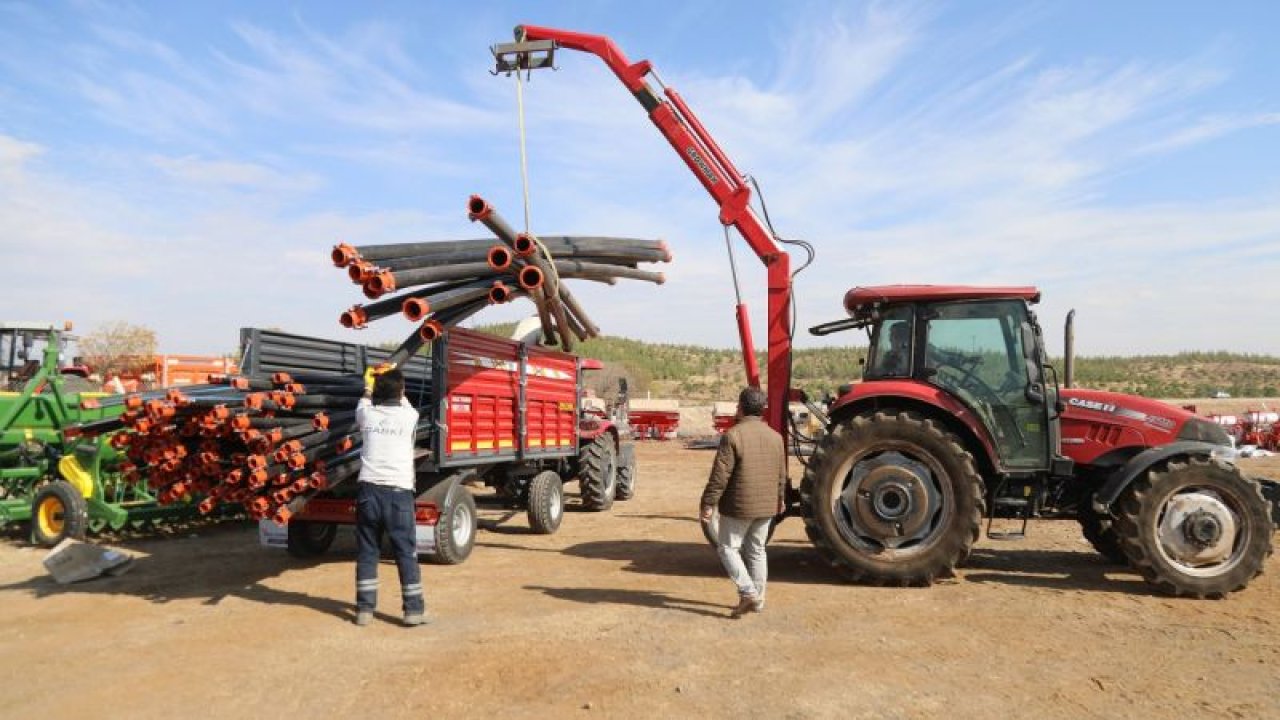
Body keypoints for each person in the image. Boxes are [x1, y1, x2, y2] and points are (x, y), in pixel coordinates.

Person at [700, 387, 787, 618]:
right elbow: (781, 474)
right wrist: (780, 499)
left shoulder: (733, 435)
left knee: (728, 548)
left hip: (739, 505)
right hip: (767, 505)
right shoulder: (776, 437)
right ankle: (757, 601)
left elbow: (720, 476)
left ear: (740, 407)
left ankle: (748, 592)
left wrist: (708, 503)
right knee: (757, 550)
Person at [353, 365, 427, 627]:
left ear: (376, 392)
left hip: (368, 493)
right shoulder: (410, 417)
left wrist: (368, 384)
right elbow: (405, 402)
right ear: (402, 391)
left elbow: (363, 401)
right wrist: (395, 374)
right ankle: (413, 611)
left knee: (367, 552)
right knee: (405, 552)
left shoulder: (367, 416)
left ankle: (364, 610)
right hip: (398, 494)